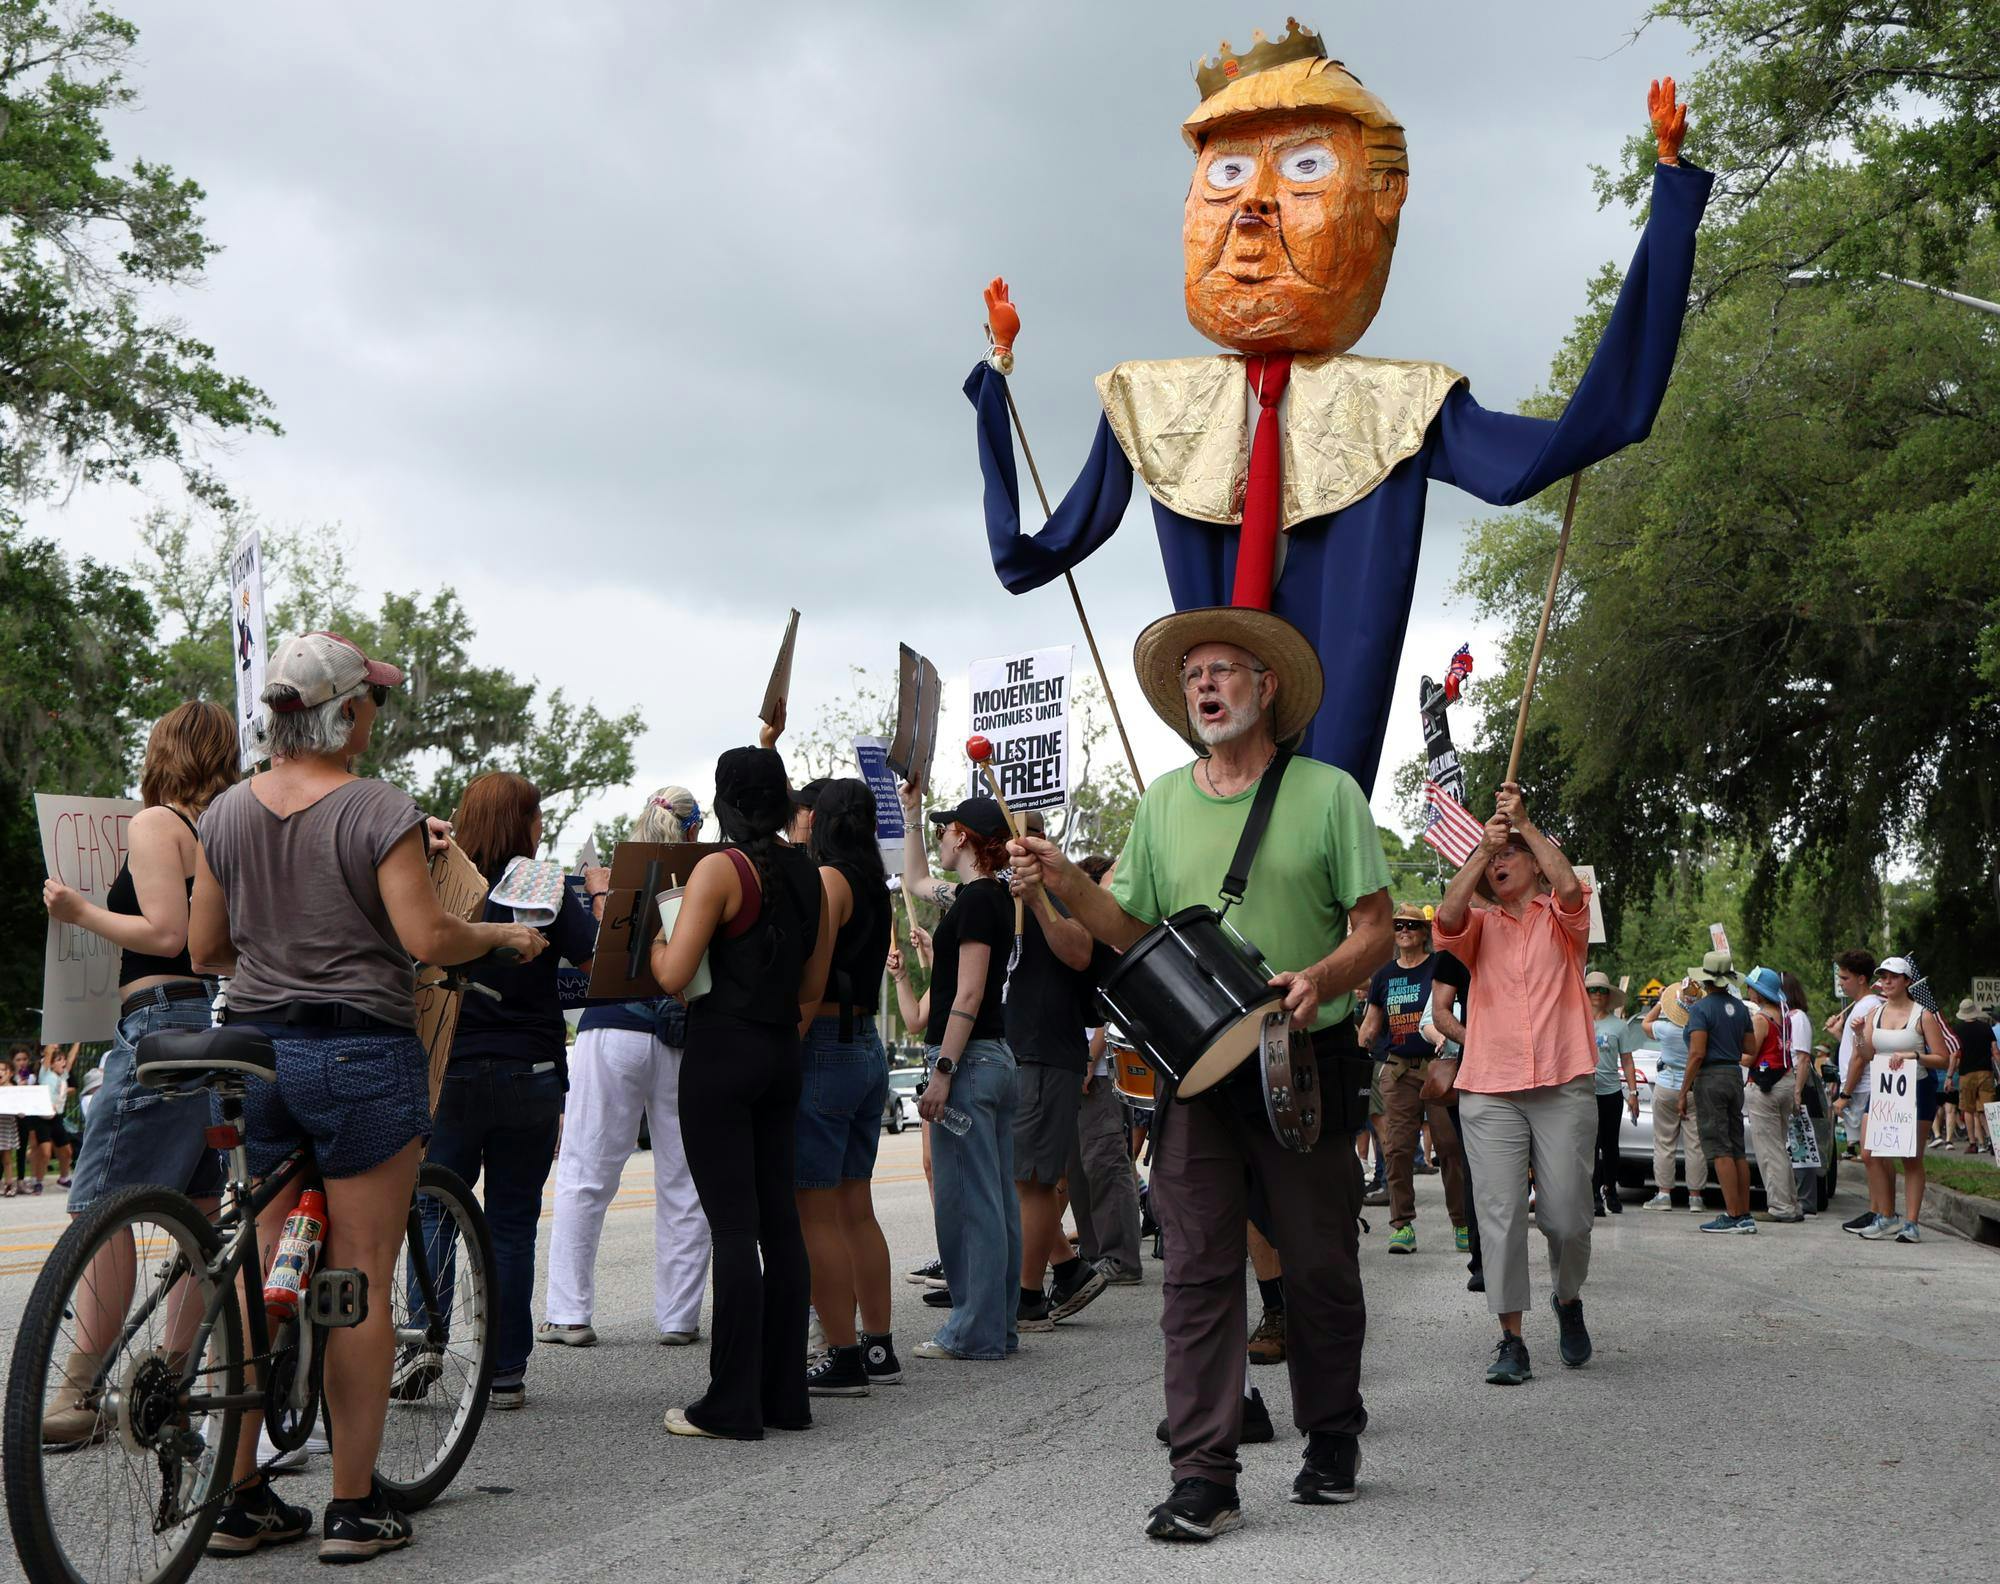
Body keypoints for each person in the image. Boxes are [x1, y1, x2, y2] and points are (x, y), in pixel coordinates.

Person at [1010, 605, 1392, 1540]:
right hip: (1197, 1074)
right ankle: (1204, 1473)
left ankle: (1332, 1432)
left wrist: (1323, 977)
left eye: (1223, 670)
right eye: (1191, 676)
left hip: (1303, 1062)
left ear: (1266, 690)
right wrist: (1060, 885)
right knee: (1195, 1272)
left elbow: (1376, 930)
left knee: (1320, 1266)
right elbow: (1125, 935)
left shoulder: (1329, 793)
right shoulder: (1164, 804)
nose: (1205, 686)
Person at [190, 631, 547, 1561]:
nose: (379, 716)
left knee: (262, 1274)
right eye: (373, 701)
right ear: (345, 713)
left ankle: (238, 1498)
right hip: (358, 1054)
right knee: (356, 1276)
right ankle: (353, 1508)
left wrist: (280, 948)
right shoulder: (378, 807)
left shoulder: (224, 812)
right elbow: (428, 937)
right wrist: (502, 940)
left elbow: (204, 950)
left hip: (257, 1049)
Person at [37, 702, 239, 1440]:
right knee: (199, 1217)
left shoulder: (158, 824)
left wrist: (79, 911)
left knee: (104, 1207)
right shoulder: (224, 831)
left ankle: (79, 1394)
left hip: (158, 1027)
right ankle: (170, 1388)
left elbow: (165, 933)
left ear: (169, 751)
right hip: (210, 1027)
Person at [655, 746, 831, 1440]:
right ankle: (785, 1397)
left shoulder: (719, 870)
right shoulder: (809, 872)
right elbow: (813, 985)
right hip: (782, 1049)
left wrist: (646, 936)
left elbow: (675, 973)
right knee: (780, 1224)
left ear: (726, 801)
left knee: (732, 1227)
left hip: (721, 1050)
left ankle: (730, 1403)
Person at [421, 772, 598, 1411]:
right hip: (532, 1075)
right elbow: (595, 967)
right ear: (521, 821)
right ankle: (503, 1371)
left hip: (453, 1071)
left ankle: (422, 1343)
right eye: (536, 815)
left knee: (433, 1208)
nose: (542, 826)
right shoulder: (545, 884)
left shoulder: (440, 878)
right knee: (512, 1224)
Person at [1430, 786, 1596, 1386]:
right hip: (1490, 1088)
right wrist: (1480, 848)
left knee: (1568, 1219)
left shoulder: (1564, 918)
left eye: (1510, 855)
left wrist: (1524, 822)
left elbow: (1572, 888)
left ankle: (1568, 1301)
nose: (1501, 865)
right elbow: (1446, 917)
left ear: (1533, 860)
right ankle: (1511, 1339)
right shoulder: (1475, 925)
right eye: (1494, 862)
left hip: (1563, 1080)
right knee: (1498, 1215)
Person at [542, 786, 712, 1351]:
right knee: (685, 1180)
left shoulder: (621, 874)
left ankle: (569, 1313)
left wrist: (598, 892)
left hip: (611, 1024)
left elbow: (601, 949)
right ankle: (678, 1317)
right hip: (680, 1033)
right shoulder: (705, 872)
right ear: (692, 829)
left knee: (586, 1172)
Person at [895, 783, 1024, 1365]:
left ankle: (973, 1330)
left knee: (969, 1200)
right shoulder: (983, 895)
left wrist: (943, 1070)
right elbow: (916, 881)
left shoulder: (976, 902)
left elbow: (968, 991)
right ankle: (997, 1325)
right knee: (995, 1198)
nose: (942, 838)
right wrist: (914, 816)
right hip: (992, 1060)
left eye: (946, 828)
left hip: (969, 1063)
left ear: (965, 837)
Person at [794, 778, 901, 1398]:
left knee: (815, 1212)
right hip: (866, 1048)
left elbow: (814, 973)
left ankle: (840, 1354)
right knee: (855, 1207)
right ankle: (877, 1345)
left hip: (827, 1044)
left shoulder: (832, 881)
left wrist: (791, 1039)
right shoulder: (873, 884)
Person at [998, 809, 1107, 1331]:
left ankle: (1028, 1298)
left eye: (1029, 837)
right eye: (1011, 838)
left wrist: (1039, 898)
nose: (1019, 847)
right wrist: (909, 817)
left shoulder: (1065, 893)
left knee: (1034, 1182)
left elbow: (1081, 953)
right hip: (1014, 1050)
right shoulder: (996, 893)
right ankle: (1067, 1270)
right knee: (1021, 1179)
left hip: (1046, 1050)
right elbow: (928, 885)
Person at [1356, 903, 1468, 1254]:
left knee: (1449, 1148)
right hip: (1397, 1069)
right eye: (1398, 926)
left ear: (1424, 933)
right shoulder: (1384, 976)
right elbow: (1371, 1028)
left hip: (1439, 1068)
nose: (1404, 930)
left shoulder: (1439, 966)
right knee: (1396, 1149)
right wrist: (1352, 1052)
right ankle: (1402, 1225)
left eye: (1412, 926)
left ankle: (1463, 1223)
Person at [1066, 855, 1144, 1285]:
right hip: (1072, 1066)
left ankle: (1120, 1256)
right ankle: (1095, 1253)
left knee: (1104, 1164)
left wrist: (1090, 1058)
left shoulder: (1107, 941)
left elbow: (1105, 1014)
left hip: (1097, 1072)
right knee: (1078, 1168)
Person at [1851, 956, 1951, 1243]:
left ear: (1907, 981)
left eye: (1894, 976)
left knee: (1911, 1157)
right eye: (1883, 977)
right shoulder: (1875, 1014)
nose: (1887, 981)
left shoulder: (1923, 1015)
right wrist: (1858, 1035)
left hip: (1916, 1088)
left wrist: (1915, 1055)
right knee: (1871, 1153)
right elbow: (1868, 1054)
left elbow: (1943, 1058)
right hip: (1884, 1091)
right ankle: (1885, 1215)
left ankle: (1911, 1222)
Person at [1682, 951, 1756, 1234]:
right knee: (1737, 1146)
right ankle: (1745, 1213)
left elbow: (1697, 1053)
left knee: (1719, 1146)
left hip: (1710, 1077)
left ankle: (1733, 1214)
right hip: (1733, 1075)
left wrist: (1682, 1090)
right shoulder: (1740, 1007)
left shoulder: (1701, 1009)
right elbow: (1750, 1047)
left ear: (1705, 980)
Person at [1735, 966, 1804, 1224]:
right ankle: (1792, 1203)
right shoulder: (1784, 1015)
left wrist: (1728, 1053)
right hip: (1785, 1082)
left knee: (1769, 1150)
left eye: (1751, 987)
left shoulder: (1761, 1019)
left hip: (1764, 1087)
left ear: (1760, 992)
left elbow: (1750, 1056)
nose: (1749, 990)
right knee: (1780, 1147)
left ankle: (1780, 1207)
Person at [1827, 951, 1886, 1226]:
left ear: (1862, 979)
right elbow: (1853, 1048)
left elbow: (1860, 1057)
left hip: (1863, 1087)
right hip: (1861, 1086)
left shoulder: (1866, 1007)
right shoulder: (1863, 1005)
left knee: (1871, 1153)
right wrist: (1839, 1034)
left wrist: (1845, 1094)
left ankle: (1879, 1211)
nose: (1841, 983)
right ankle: (1877, 1210)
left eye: (1845, 978)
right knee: (1870, 1153)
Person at [1641, 978, 1709, 1212]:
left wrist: (1662, 1003)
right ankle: (1696, 1197)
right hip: (1693, 1088)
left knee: (1664, 1142)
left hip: (1666, 1086)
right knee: (1696, 1144)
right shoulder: (1700, 1032)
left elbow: (1645, 1024)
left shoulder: (1664, 1029)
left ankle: (1664, 1194)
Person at [1584, 973, 1640, 1216]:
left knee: (1610, 1145)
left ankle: (1611, 1189)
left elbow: (1627, 1060)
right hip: (1585, 1093)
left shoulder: (1618, 1026)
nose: (1597, 994)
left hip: (1611, 1092)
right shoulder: (1578, 1021)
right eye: (1592, 989)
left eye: (1602, 990)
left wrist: (1633, 1092)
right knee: (1591, 1144)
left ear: (1608, 996)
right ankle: (1593, 1194)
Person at [1780, 971, 1825, 1213]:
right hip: (1791, 1084)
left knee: (1801, 1143)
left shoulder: (1798, 1019)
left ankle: (1806, 1199)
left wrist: (1797, 1092)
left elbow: (1803, 1058)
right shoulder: (1788, 1017)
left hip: (1799, 1085)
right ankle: (1796, 1195)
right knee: (1792, 1143)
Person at [1954, 998, 1995, 1155]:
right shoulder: (1986, 1028)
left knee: (1968, 1110)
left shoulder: (1958, 1030)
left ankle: (1973, 1143)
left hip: (1966, 1073)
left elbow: (1956, 1054)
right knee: (1986, 1109)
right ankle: (1993, 1142)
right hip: (1985, 1072)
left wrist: (1950, 1075)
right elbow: (1994, 1050)